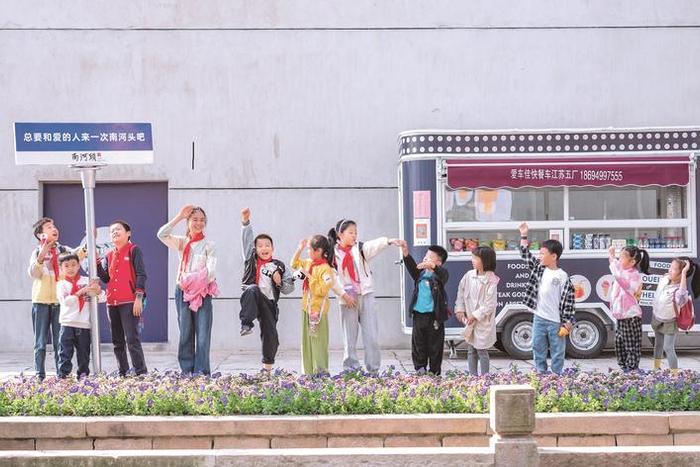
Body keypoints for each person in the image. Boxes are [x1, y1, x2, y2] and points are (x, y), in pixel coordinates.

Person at [327, 219, 401, 374]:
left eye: (356, 232)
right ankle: (351, 369)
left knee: (372, 336)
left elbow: (372, 246)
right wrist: (343, 295)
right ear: (340, 234)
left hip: (366, 296)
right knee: (349, 338)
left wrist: (388, 241)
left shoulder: (359, 249)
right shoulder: (332, 254)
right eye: (351, 232)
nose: (354, 235)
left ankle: (373, 370)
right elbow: (332, 278)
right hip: (347, 299)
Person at [158, 205, 218, 376]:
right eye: (194, 219)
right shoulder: (182, 242)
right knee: (185, 332)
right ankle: (186, 371)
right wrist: (179, 217)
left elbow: (210, 272)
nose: (199, 223)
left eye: (202, 220)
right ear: (188, 222)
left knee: (203, 333)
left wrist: (192, 282)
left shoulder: (209, 245)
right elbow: (161, 234)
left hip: (202, 293)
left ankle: (202, 372)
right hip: (182, 292)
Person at [27, 217, 84, 380]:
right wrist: (42, 254)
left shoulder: (63, 250)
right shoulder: (36, 252)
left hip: (60, 302)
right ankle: (40, 375)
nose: (54, 229)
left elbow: (77, 255)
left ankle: (61, 374)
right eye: (48, 227)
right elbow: (33, 273)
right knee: (40, 342)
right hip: (41, 302)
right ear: (40, 235)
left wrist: (88, 244)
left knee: (60, 341)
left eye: (54, 226)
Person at [239, 207, 294, 372]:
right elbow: (247, 241)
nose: (264, 248)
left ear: (272, 248)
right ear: (255, 249)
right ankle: (246, 324)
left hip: (269, 303)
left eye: (267, 245)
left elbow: (288, 289)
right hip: (253, 298)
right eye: (260, 246)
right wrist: (245, 222)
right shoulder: (251, 260)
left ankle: (267, 369)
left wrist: (279, 282)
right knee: (252, 289)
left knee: (271, 336)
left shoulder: (279, 266)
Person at [518, 222, 575, 375]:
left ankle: (556, 375)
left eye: (543, 254)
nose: (539, 256)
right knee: (537, 347)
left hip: (556, 321)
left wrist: (567, 322)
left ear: (554, 256)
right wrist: (524, 235)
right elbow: (525, 254)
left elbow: (569, 302)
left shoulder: (562, 276)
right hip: (539, 318)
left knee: (558, 351)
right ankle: (541, 373)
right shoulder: (539, 268)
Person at [97, 220, 148, 377]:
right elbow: (106, 278)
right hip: (112, 303)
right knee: (117, 341)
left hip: (129, 302)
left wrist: (138, 297)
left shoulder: (134, 250)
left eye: (118, 229)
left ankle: (141, 373)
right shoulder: (108, 255)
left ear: (128, 233)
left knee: (132, 339)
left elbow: (141, 274)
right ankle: (123, 373)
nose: (114, 232)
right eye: (112, 231)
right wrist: (97, 264)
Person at [399, 240, 449, 375]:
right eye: (426, 255)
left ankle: (434, 372)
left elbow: (443, 275)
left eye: (430, 257)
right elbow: (411, 267)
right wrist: (405, 252)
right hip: (419, 315)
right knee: (418, 343)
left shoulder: (440, 275)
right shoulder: (420, 274)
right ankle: (420, 369)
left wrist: (433, 267)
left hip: (434, 317)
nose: (426, 258)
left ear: (438, 262)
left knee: (435, 346)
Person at [291, 235, 336, 375]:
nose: (307, 251)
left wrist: (309, 276)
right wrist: (299, 249)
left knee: (319, 342)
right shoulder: (308, 263)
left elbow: (321, 291)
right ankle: (308, 372)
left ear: (319, 251)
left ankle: (321, 372)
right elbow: (294, 264)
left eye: (309, 249)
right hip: (306, 309)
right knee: (306, 342)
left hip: (318, 312)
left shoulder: (326, 269)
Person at [55, 253, 104, 379]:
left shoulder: (86, 281)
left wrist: (98, 291)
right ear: (61, 268)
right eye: (66, 266)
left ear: (78, 266)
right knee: (65, 353)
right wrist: (81, 292)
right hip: (67, 324)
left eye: (73, 265)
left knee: (84, 355)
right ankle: (63, 378)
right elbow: (66, 302)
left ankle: (83, 379)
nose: (70, 268)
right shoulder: (61, 284)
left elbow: (102, 298)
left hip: (84, 325)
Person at [455, 246, 499, 376]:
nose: (472, 260)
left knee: (481, 350)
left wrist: (475, 316)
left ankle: (485, 377)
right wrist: (460, 309)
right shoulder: (469, 275)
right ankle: (472, 376)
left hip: (482, 321)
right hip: (470, 319)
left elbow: (490, 304)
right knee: (471, 349)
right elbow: (461, 292)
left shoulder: (491, 279)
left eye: (475, 258)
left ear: (485, 260)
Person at [652, 257, 700, 370]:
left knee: (668, 347)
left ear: (681, 275)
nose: (670, 270)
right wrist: (673, 272)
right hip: (657, 317)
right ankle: (656, 368)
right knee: (658, 344)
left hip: (670, 322)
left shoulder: (679, 291)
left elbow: (682, 293)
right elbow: (667, 276)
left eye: (673, 269)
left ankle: (674, 374)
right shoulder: (665, 279)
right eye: (670, 267)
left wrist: (684, 273)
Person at [607, 245, 649, 371]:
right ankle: (624, 368)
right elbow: (616, 267)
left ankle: (632, 370)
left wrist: (612, 258)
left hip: (631, 316)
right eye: (619, 256)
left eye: (622, 257)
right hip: (621, 316)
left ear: (632, 262)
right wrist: (612, 257)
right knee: (619, 344)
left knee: (631, 346)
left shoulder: (635, 275)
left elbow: (621, 279)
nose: (619, 259)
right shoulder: (623, 271)